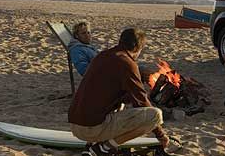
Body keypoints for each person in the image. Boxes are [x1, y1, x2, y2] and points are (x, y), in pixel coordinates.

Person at [69, 28, 170, 156]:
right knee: (155, 115)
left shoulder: (103, 55)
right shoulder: (127, 63)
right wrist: (160, 135)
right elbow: (142, 102)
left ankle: (91, 144)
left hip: (75, 123)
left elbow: (115, 93)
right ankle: (102, 148)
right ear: (138, 48)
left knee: (120, 103)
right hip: (90, 128)